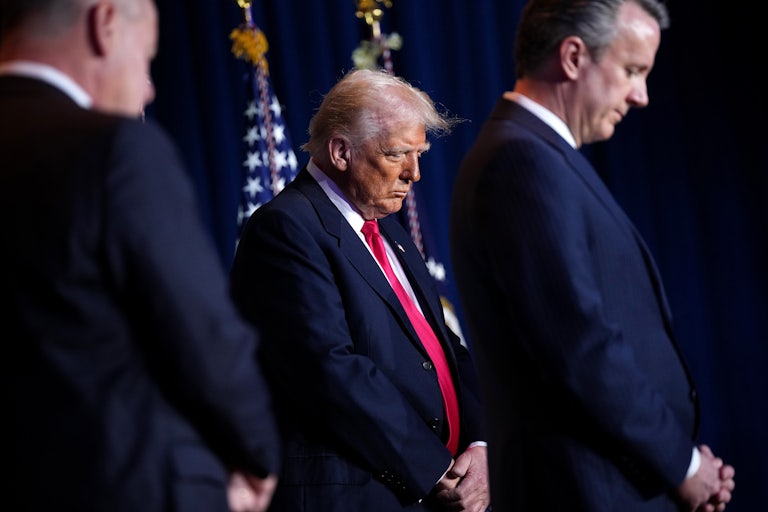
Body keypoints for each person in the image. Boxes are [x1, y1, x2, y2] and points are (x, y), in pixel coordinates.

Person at [448, 1, 735, 511]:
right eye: (632, 70)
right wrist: (684, 465)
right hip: (586, 492)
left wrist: (680, 462)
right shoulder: (520, 161)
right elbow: (579, 348)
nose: (641, 96)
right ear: (574, 57)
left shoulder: (540, 156)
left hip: (624, 481)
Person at [0, 1, 280, 511]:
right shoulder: (116, 150)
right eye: (147, 59)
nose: (149, 87)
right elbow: (201, 333)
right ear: (105, 23)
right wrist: (258, 453)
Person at [230, 68, 490, 512]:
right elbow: (328, 370)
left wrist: (480, 446)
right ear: (341, 151)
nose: (415, 173)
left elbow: (446, 348)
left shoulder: (389, 230)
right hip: (357, 494)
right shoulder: (284, 229)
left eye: (420, 154)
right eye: (397, 154)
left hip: (429, 490)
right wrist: (434, 469)